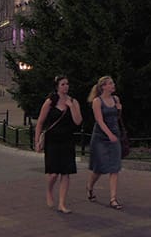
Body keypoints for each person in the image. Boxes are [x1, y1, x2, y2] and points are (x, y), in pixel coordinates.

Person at [35, 76, 83, 214]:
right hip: (53, 140)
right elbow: (40, 122)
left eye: (67, 84)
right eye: (63, 84)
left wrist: (71, 106)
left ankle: (62, 203)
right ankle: (49, 190)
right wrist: (37, 141)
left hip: (67, 140)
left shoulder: (73, 101)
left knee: (66, 173)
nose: (66, 86)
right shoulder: (50, 102)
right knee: (54, 174)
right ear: (57, 86)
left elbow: (78, 121)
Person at [86, 75, 124, 210]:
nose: (113, 85)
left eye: (113, 83)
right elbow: (99, 120)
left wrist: (119, 108)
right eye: (110, 83)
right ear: (103, 87)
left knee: (115, 167)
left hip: (115, 134)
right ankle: (90, 187)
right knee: (99, 168)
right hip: (101, 137)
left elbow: (117, 118)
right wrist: (109, 134)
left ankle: (113, 199)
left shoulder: (115, 99)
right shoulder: (97, 101)